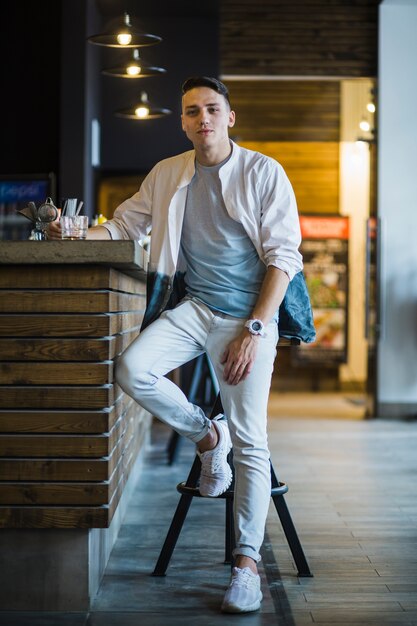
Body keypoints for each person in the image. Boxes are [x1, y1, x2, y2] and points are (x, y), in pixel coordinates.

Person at [49, 76, 306, 613]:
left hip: (248, 319)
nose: (202, 120)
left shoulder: (264, 172)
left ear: (230, 117)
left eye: (212, 109)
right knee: (131, 369)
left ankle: (247, 565)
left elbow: (284, 257)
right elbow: (124, 225)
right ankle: (206, 436)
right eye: (192, 112)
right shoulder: (168, 173)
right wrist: (73, 234)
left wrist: (256, 331)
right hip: (196, 309)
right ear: (183, 121)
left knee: (253, 438)